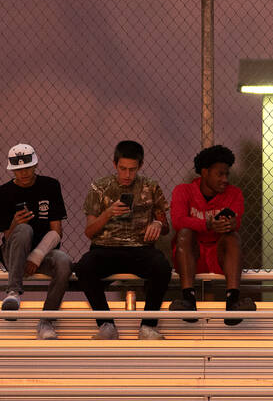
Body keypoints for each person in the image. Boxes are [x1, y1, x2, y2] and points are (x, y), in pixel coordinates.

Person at [75, 139, 171, 340]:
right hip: (105, 247)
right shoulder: (100, 187)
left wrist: (158, 224)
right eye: (123, 169)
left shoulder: (150, 187)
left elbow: (166, 226)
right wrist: (107, 214)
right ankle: (106, 324)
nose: (127, 175)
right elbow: (89, 232)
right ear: (114, 164)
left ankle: (148, 326)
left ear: (140, 166)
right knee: (84, 266)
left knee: (161, 265)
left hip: (140, 249)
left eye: (132, 170)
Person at [0, 143, 71, 340]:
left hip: (43, 253)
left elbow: (56, 231)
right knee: (24, 229)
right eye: (18, 169)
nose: (23, 173)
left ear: (35, 165)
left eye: (27, 167)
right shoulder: (1, 194)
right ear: (12, 170)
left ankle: (46, 321)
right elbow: (6, 237)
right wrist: (15, 223)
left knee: (64, 261)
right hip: (13, 252)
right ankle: (13, 293)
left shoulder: (50, 186)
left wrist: (37, 256)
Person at [168, 144, 255, 325]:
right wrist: (207, 224)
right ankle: (188, 300)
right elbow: (177, 221)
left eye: (227, 174)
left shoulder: (234, 193)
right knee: (184, 233)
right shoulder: (183, 190)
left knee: (233, 237)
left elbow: (237, 221)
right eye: (220, 174)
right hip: (192, 255)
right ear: (205, 172)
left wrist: (231, 223)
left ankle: (232, 302)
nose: (225, 179)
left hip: (219, 256)